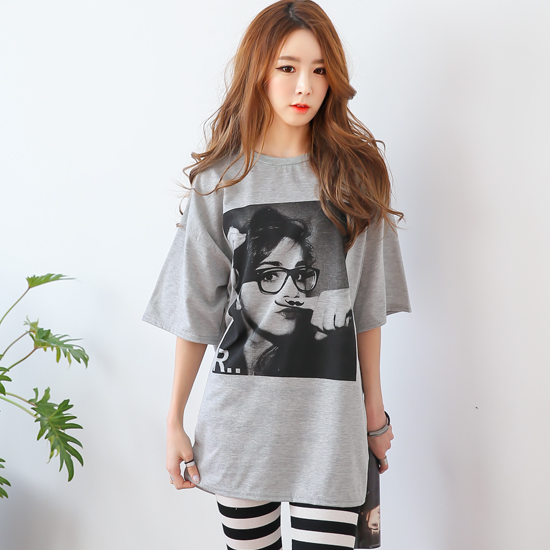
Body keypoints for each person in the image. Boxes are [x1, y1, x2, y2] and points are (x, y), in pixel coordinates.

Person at [142, 2, 411, 549]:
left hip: (329, 425)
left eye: (319, 70)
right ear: (259, 72)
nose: (304, 86)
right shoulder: (219, 181)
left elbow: (366, 306)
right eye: (287, 67)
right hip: (240, 423)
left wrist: (374, 415)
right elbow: (197, 308)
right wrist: (173, 421)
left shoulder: (357, 178)